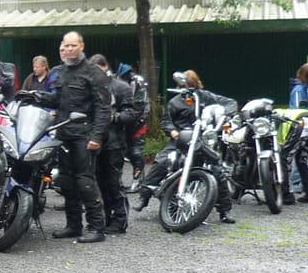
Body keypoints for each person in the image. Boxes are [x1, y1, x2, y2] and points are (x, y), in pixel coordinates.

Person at [133, 70, 238, 222]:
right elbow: (166, 121)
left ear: (196, 84)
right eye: (184, 85)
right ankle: (144, 196)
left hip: (202, 140)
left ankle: (225, 211)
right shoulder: (175, 102)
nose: (187, 88)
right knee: (162, 161)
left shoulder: (206, 97)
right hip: (180, 140)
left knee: (216, 170)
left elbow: (231, 103)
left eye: (190, 85)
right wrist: (173, 132)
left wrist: (223, 115)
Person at [36, 31, 112, 243]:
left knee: (85, 182)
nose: (69, 49)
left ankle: (96, 227)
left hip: (84, 135)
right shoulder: (60, 71)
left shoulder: (94, 73)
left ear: (82, 46)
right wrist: (36, 96)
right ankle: (73, 225)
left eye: (73, 46)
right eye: (66, 46)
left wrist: (96, 137)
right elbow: (57, 100)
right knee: (66, 181)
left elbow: (103, 108)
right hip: (64, 133)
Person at [89, 54, 136, 234]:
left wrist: (114, 118)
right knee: (99, 182)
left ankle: (120, 220)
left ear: (105, 67)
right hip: (96, 141)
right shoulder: (90, 88)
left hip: (114, 142)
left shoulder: (121, 87)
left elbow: (131, 114)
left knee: (113, 182)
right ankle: (106, 218)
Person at [116, 63, 149, 190]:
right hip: (122, 120)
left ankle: (138, 180)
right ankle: (116, 181)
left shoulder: (138, 83)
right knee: (118, 151)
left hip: (138, 121)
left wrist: (127, 117)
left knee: (136, 151)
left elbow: (140, 107)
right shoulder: (116, 82)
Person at [280, 63, 308, 203]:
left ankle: (287, 194)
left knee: (284, 157)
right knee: (302, 159)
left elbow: (297, 110)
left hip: (301, 127)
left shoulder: (298, 90)